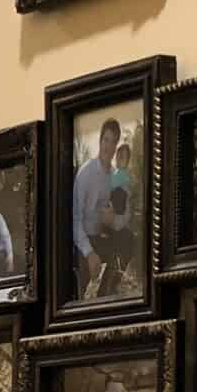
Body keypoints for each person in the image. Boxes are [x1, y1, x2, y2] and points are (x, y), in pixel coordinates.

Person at [71, 118, 123, 293]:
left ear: (117, 145)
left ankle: (106, 297)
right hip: (82, 242)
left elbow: (122, 215)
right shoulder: (85, 173)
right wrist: (89, 253)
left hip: (104, 238)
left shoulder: (116, 176)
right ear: (100, 141)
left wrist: (113, 218)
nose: (109, 146)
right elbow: (75, 220)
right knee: (81, 295)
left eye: (113, 141)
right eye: (106, 140)